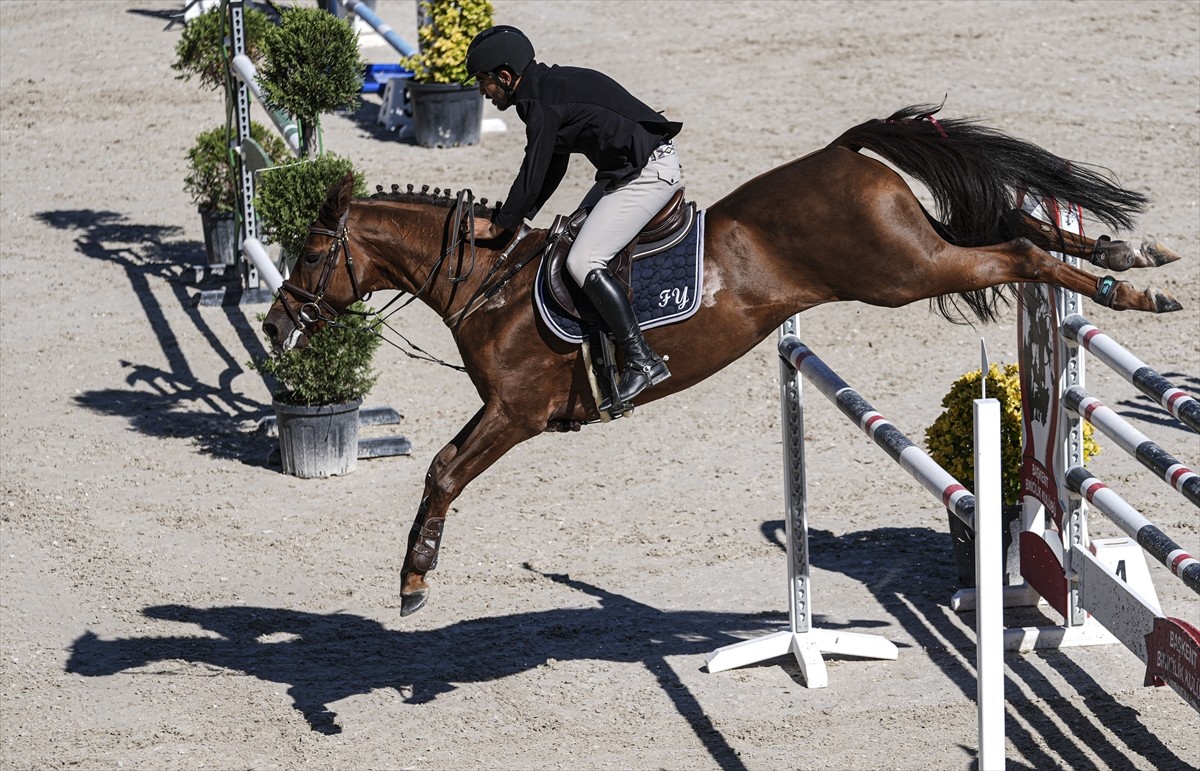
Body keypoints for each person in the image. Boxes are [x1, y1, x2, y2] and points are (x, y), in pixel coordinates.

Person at [464, 25, 682, 413]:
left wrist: (501, 224)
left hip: (648, 173)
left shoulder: (539, 103)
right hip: (624, 174)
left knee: (583, 260)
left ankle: (641, 359)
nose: (483, 91)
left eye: (484, 81)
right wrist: (518, 218)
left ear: (506, 76)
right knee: (567, 242)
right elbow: (552, 166)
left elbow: (534, 169)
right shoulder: (544, 90)